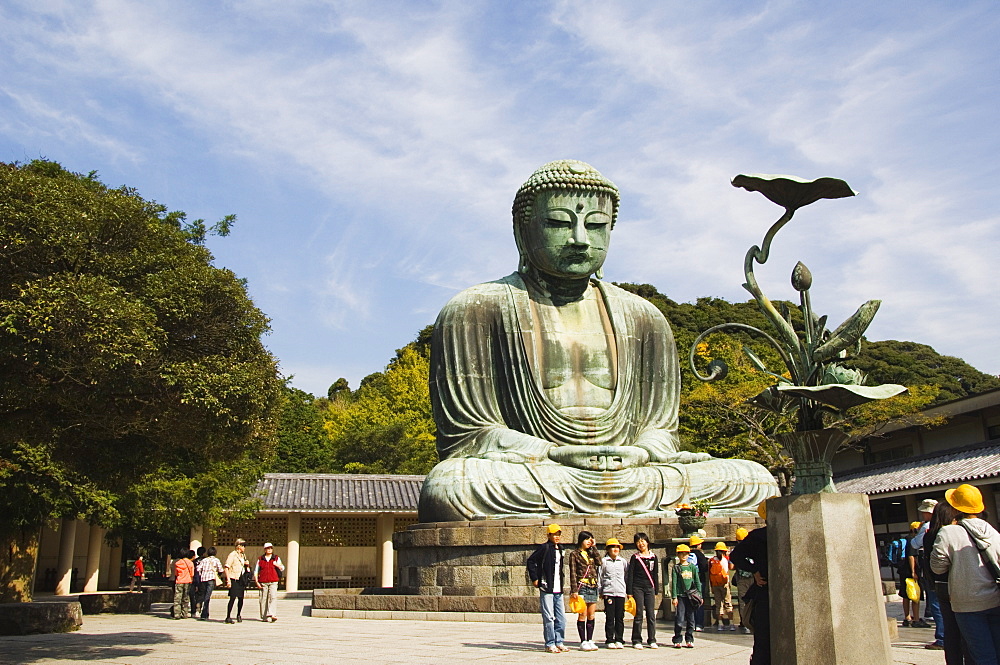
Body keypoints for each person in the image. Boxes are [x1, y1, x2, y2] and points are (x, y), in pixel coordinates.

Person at [417, 160, 779, 522]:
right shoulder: (475, 309)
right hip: (540, 470)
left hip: (635, 472)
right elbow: (470, 437)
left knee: (755, 481)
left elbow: (661, 431)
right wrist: (553, 454)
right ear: (522, 232)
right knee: (452, 485)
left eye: (595, 226)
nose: (580, 239)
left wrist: (640, 453)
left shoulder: (644, 317)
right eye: (559, 223)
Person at [931, 484, 1000, 665]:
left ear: (955, 507)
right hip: (995, 598)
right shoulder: (992, 531)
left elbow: (937, 568)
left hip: (967, 604)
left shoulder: (948, 532)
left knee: (982, 656)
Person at [923, 500, 976, 664]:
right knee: (966, 630)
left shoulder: (928, 535)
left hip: (940, 586)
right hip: (957, 585)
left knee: (950, 630)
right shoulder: (952, 533)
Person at [731, 501, 770, 665]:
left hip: (765, 591)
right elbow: (735, 556)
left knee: (763, 640)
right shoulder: (759, 537)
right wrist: (755, 571)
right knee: (764, 639)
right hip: (766, 591)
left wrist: (753, 569)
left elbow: (736, 556)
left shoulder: (759, 535)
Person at [527, 524, 570, 653]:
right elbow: (531, 561)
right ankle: (550, 643)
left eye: (558, 534)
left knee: (561, 618)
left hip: (558, 588)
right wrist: (535, 578)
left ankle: (559, 641)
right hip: (547, 587)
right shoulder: (544, 548)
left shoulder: (561, 548)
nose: (557, 537)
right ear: (549, 535)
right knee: (549, 617)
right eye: (554, 534)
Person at [913, 498, 945, 646]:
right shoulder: (946, 525)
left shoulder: (927, 527)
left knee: (936, 604)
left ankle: (941, 637)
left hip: (932, 569)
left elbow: (915, 543)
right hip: (946, 571)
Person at [568, 531, 601, 651]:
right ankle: (583, 641)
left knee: (591, 614)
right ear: (581, 540)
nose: (589, 541)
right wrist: (574, 589)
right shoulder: (574, 554)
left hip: (593, 586)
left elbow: (599, 562)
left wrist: (594, 547)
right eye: (587, 539)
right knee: (583, 614)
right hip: (582, 586)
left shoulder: (591, 553)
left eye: (590, 539)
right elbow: (572, 572)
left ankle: (590, 639)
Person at [626, 532, 659, 649]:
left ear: (647, 542)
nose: (641, 543)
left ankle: (652, 639)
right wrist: (629, 592)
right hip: (637, 587)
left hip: (650, 587)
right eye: (638, 541)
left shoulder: (654, 557)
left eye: (642, 540)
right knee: (639, 614)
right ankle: (636, 640)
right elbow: (631, 575)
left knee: (651, 614)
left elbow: (655, 574)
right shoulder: (635, 557)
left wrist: (656, 591)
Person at [599, 538, 628, 649]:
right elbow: (600, 576)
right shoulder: (604, 562)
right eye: (613, 547)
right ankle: (609, 639)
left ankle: (619, 639)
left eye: (617, 547)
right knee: (610, 617)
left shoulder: (623, 562)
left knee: (620, 617)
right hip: (608, 592)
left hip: (620, 592)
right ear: (608, 549)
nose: (615, 549)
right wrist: (600, 590)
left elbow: (626, 575)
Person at [671, 543, 700, 649]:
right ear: (678, 555)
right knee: (679, 619)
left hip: (691, 596)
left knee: (691, 619)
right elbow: (674, 583)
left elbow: (697, 581)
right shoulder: (676, 567)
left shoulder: (692, 567)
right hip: (681, 596)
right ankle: (677, 638)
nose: (684, 556)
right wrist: (674, 597)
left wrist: (699, 595)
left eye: (686, 554)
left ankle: (689, 638)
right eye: (681, 554)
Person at [899, 521, 923, 627]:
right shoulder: (913, 540)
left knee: (905, 595)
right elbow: (911, 556)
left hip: (903, 571)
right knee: (915, 595)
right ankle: (916, 619)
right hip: (911, 572)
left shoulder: (906, 539)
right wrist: (914, 571)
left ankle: (907, 617)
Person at [255, 542, 284, 622]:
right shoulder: (260, 559)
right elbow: (256, 570)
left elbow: (282, 567)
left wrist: (276, 565)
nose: (269, 550)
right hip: (263, 581)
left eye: (271, 548)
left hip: (273, 580)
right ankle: (264, 616)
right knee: (263, 599)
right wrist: (257, 581)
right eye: (268, 548)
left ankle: (271, 614)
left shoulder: (276, 558)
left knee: (273, 597)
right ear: (265, 549)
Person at [224, 538, 251, 624]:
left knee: (241, 598)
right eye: (243, 546)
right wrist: (228, 580)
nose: (244, 548)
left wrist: (247, 566)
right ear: (239, 546)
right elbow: (226, 567)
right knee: (232, 598)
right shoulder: (233, 555)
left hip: (241, 579)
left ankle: (239, 614)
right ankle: (228, 616)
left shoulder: (243, 556)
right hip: (234, 578)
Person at [733, 528, 754, 634]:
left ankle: (745, 622)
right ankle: (752, 622)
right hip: (754, 577)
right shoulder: (752, 547)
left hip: (742, 579)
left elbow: (732, 565)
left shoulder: (736, 550)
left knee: (743, 602)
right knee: (754, 601)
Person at [710, 542, 735, 631]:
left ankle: (720, 624)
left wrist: (711, 586)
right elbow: (730, 568)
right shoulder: (725, 560)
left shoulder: (712, 560)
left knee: (718, 604)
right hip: (724, 584)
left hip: (715, 584)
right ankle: (731, 624)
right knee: (728, 603)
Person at [688, 535, 710, 631]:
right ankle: (699, 624)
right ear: (698, 545)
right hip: (699, 581)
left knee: (690, 603)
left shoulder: (687, 554)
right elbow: (704, 567)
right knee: (699, 601)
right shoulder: (699, 554)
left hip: (689, 582)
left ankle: (691, 623)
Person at [196, 546, 224, 621]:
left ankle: (204, 612)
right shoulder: (216, 560)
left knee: (204, 595)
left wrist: (202, 573)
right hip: (211, 579)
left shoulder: (204, 560)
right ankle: (204, 613)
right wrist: (217, 575)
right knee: (207, 596)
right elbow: (221, 569)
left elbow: (198, 569)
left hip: (203, 579)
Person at [172, 549, 196, 619]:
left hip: (179, 581)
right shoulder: (190, 563)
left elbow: (176, 573)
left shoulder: (177, 563)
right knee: (185, 598)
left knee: (177, 598)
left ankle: (177, 614)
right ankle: (184, 613)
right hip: (188, 581)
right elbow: (192, 574)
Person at [190, 545, 206, 618]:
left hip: (194, 579)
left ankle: (193, 609)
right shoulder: (206, 560)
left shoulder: (194, 561)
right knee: (202, 594)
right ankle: (199, 608)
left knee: (194, 595)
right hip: (203, 579)